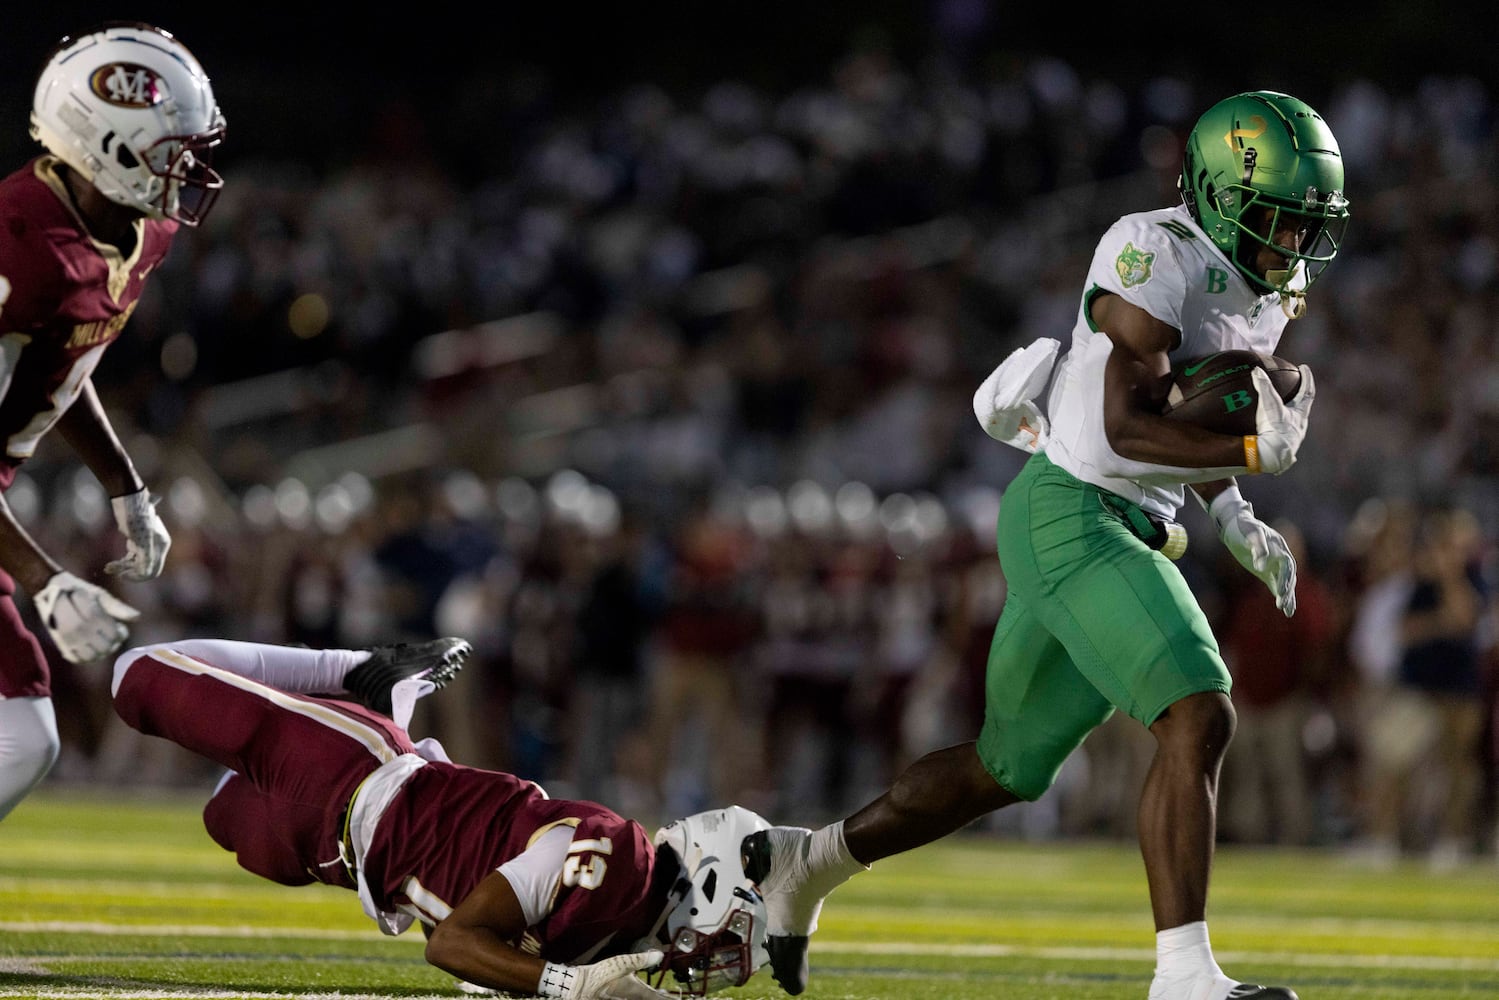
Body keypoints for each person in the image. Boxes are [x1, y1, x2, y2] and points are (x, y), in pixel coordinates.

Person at [744, 90, 1349, 1000]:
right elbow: (1126, 427)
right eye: (1275, 222)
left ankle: (808, 865)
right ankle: (1183, 976)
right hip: (1074, 509)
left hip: (1112, 517)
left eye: (1306, 228)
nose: (1290, 249)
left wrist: (1229, 509)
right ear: (1220, 197)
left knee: (1001, 768)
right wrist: (1251, 450)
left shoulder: (1257, 289)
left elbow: (1184, 408)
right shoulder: (1153, 252)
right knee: (1199, 711)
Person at [109, 634, 772, 999]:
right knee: (135, 677)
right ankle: (354, 668)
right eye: (723, 933)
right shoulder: (613, 857)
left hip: (343, 857)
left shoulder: (610, 935)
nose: (708, 964)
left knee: (221, 815)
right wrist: (570, 986)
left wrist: (578, 984)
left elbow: (487, 973)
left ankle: (390, 701)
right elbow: (451, 945)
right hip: (351, 772)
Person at [0, 22, 227, 821]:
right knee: (22, 735)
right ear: (110, 147)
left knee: (23, 737)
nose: (190, 170)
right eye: (172, 151)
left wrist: (125, 488)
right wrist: (48, 582)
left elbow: (68, 363)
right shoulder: (20, 244)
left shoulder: (139, 228)